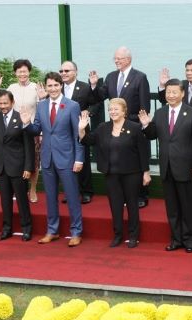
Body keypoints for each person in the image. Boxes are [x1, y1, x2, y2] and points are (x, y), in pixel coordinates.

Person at [140, 79, 192, 253]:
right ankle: (176, 239)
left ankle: (191, 239)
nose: (171, 95)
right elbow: (152, 135)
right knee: (172, 207)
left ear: (182, 93)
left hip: (186, 166)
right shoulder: (160, 112)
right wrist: (146, 125)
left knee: (188, 207)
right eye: (168, 92)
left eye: (175, 92)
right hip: (166, 167)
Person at [23, 72, 84, 247]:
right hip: (47, 158)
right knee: (50, 197)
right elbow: (37, 129)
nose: (53, 89)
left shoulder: (72, 106)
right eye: (49, 86)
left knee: (72, 197)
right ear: (46, 87)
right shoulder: (41, 106)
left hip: (67, 158)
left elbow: (77, 135)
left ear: (61, 86)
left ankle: (76, 232)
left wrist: (79, 159)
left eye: (56, 85)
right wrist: (27, 124)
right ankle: (52, 230)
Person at [79, 99, 151, 248]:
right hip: (111, 173)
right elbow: (87, 141)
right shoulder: (103, 127)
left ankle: (133, 236)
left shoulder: (135, 127)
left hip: (132, 173)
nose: (113, 112)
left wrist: (146, 172)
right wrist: (82, 129)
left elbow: (143, 152)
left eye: (116, 109)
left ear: (124, 111)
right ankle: (118, 235)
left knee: (132, 204)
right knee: (115, 205)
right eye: (110, 109)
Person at [92, 46, 151, 208]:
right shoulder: (111, 76)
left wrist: (139, 124)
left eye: (119, 58)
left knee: (136, 161)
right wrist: (94, 85)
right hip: (115, 127)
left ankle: (141, 195)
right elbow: (100, 96)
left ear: (128, 59)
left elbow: (144, 106)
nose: (116, 61)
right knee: (120, 161)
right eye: (115, 58)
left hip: (133, 126)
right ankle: (123, 196)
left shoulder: (140, 77)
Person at [159, 59, 192, 212]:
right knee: (187, 172)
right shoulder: (180, 85)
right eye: (187, 70)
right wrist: (162, 86)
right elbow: (165, 100)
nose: (189, 73)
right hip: (182, 133)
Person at [0, 90, 34, 241]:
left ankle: (26, 228)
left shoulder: (21, 117)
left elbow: (28, 145)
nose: (3, 106)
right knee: (5, 201)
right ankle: (7, 229)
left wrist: (28, 167)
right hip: (1, 166)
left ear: (12, 102)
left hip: (18, 166)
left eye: (6, 103)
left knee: (22, 200)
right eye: (0, 103)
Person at [0, 59, 42, 202]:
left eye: (25, 71)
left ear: (29, 72)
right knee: (17, 160)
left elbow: (41, 109)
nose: (22, 74)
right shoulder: (11, 88)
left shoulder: (35, 87)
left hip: (31, 129)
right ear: (15, 73)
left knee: (34, 161)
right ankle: (19, 189)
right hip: (13, 130)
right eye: (19, 71)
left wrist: (41, 131)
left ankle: (32, 190)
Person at [58, 60, 100, 205]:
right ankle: (71, 191)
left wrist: (88, 112)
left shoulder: (85, 87)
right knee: (67, 161)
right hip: (62, 131)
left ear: (75, 72)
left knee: (83, 160)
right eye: (61, 71)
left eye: (67, 71)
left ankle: (86, 191)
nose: (63, 73)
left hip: (80, 129)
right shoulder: (57, 88)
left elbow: (96, 103)